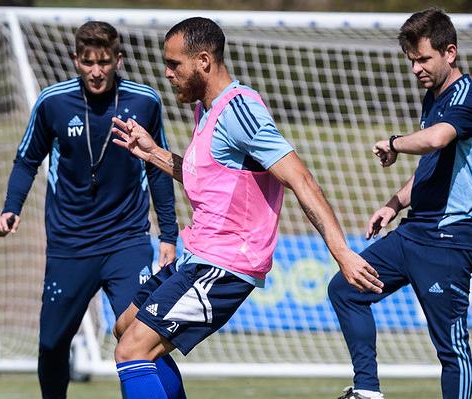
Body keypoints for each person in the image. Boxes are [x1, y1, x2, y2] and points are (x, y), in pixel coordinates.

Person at [109, 17, 383, 399]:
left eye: (174, 64)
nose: (167, 73)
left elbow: (301, 179)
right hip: (200, 255)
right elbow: (209, 181)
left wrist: (343, 254)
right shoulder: (207, 111)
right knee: (126, 327)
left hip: (224, 264)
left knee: (132, 350)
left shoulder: (239, 111)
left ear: (203, 61)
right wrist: (153, 153)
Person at [0, 21, 183, 399]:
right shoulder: (52, 102)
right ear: (76, 61)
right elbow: (26, 159)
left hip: (126, 242)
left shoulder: (144, 101)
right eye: (88, 63)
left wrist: (168, 234)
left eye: (103, 62)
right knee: (51, 343)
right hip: (70, 245)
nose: (96, 72)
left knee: (143, 333)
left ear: (118, 60)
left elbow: (158, 167)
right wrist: (11, 207)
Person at [327, 8, 472, 399]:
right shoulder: (432, 98)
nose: (416, 68)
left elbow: (435, 140)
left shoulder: (470, 98)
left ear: (449, 52)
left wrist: (395, 143)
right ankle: (367, 390)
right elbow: (432, 165)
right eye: (411, 61)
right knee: (346, 288)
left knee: (451, 348)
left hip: (450, 241)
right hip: (414, 232)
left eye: (423, 59)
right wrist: (394, 203)